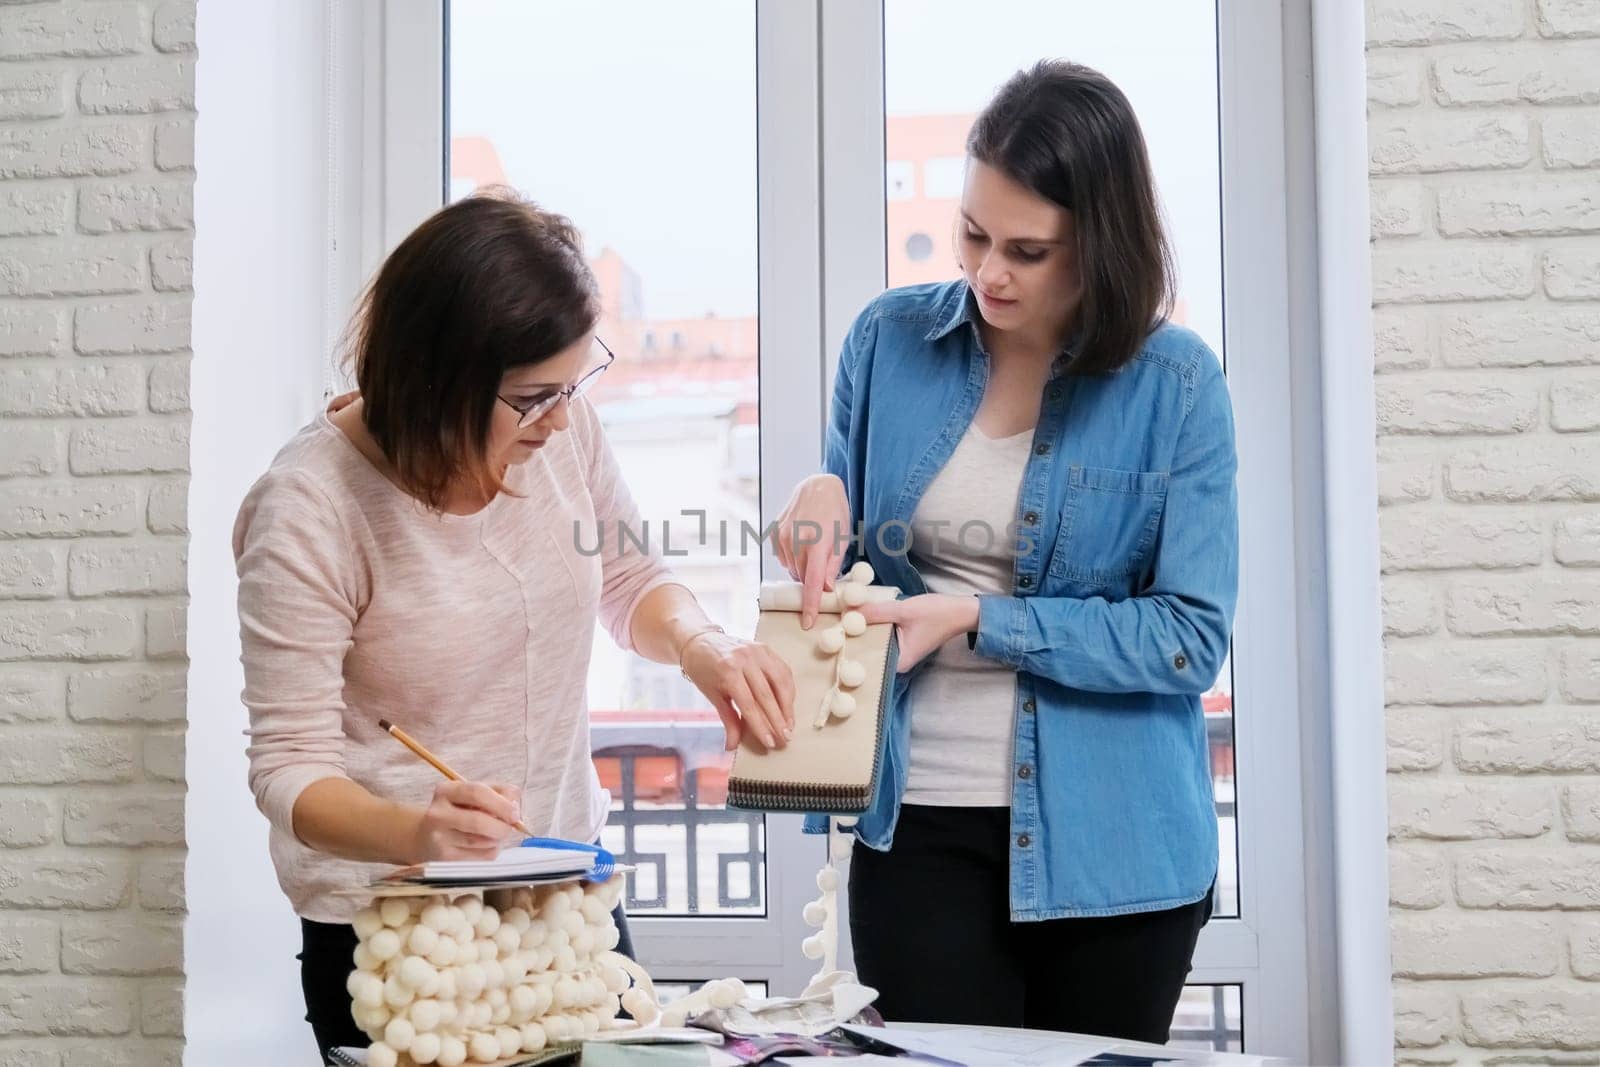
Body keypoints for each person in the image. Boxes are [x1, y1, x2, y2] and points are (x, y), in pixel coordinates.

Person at [234, 191, 795, 1062]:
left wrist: (700, 644)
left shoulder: (554, 431)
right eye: (535, 397)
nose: (562, 418)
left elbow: (630, 575)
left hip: (560, 895)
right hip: (401, 934)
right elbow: (288, 770)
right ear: (437, 380)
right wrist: (421, 832)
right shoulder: (310, 509)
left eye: (576, 383)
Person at [776, 60, 1237, 1042]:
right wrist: (819, 496)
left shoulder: (1177, 385)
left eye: (1027, 250)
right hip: (919, 824)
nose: (989, 272)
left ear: (1100, 247)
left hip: (1118, 844)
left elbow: (1188, 638)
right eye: (973, 234)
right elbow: (847, 518)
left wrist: (980, 619)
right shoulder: (887, 341)